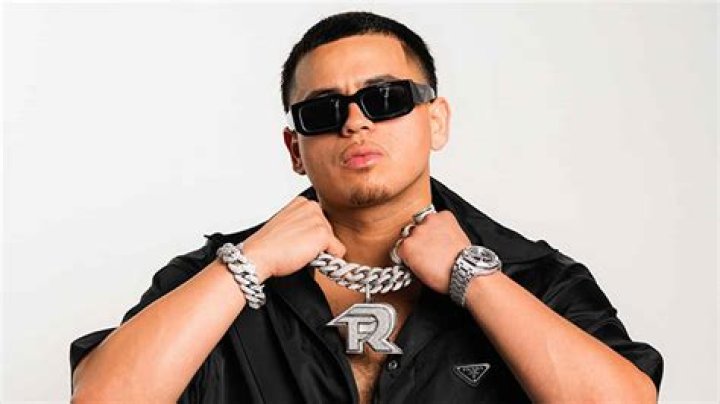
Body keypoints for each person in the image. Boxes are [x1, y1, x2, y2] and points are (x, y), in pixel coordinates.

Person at [69, 11, 663, 404]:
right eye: (322, 111)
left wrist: (474, 278)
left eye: (386, 98)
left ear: (436, 121)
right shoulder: (210, 282)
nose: (355, 122)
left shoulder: (533, 277)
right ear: (295, 149)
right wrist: (249, 264)